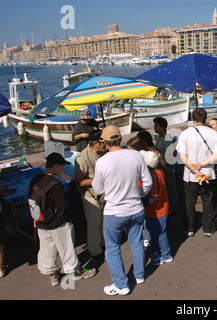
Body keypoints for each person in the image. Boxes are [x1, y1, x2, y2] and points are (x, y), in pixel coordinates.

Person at [92, 125, 153, 296]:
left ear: (104, 142)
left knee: (112, 248)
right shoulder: (135, 155)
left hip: (114, 211)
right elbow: (147, 182)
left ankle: (121, 284)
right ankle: (139, 275)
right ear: (121, 138)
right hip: (135, 208)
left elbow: (97, 189)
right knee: (137, 242)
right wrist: (138, 194)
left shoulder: (102, 162)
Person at [29, 152, 96, 287]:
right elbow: (62, 206)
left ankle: (53, 276)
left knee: (47, 250)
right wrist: (66, 221)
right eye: (61, 166)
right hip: (57, 223)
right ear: (55, 166)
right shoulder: (55, 184)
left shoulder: (35, 179)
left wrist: (35, 219)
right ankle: (75, 272)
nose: (62, 169)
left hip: (41, 223)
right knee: (67, 249)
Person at [176, 108, 217, 238]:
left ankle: (189, 228)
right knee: (207, 201)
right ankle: (208, 228)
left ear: (192, 119)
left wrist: (194, 169)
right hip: (208, 172)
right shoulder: (213, 134)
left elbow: (183, 157)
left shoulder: (184, 134)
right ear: (205, 119)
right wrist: (201, 165)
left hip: (190, 174)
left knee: (189, 202)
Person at [74, 129, 106, 260]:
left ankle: (104, 244)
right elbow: (79, 182)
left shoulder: (105, 153)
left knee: (104, 221)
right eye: (102, 141)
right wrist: (96, 181)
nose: (105, 143)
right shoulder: (82, 158)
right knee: (94, 223)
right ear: (95, 143)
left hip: (104, 193)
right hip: (89, 194)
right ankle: (95, 250)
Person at [142, 151, 173, 266]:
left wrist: (140, 201)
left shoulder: (154, 176)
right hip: (156, 210)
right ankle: (160, 251)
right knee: (156, 233)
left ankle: (166, 255)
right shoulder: (159, 172)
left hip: (158, 210)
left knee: (160, 234)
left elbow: (153, 198)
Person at [153, 117, 179, 216]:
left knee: (171, 187)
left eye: (156, 126)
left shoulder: (167, 138)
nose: (155, 128)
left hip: (168, 166)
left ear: (162, 127)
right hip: (163, 165)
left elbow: (173, 153)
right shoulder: (159, 137)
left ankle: (174, 208)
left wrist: (167, 166)